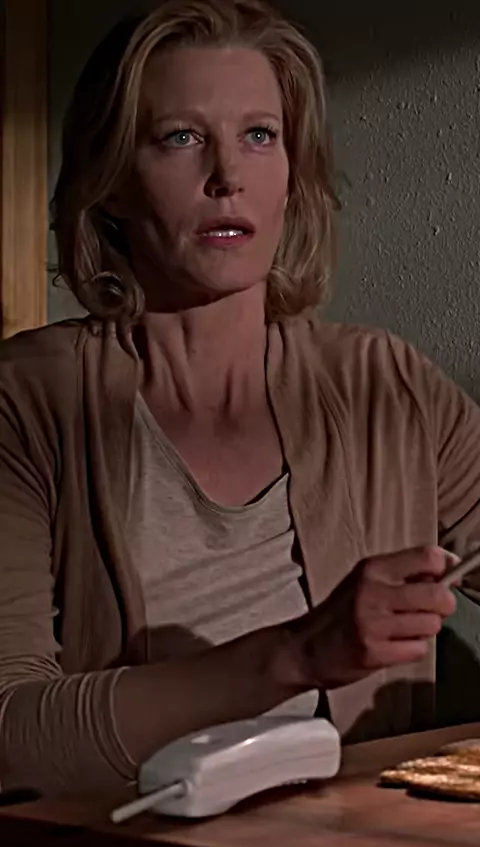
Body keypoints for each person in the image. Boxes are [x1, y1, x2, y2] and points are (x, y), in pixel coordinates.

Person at [0, 0, 477, 796]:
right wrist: (296, 655)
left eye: (259, 135)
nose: (228, 176)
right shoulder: (27, 402)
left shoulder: (383, 383)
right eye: (180, 138)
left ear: (292, 174)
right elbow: (9, 736)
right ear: (110, 183)